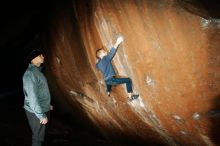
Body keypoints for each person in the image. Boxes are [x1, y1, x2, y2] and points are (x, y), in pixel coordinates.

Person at [23, 49, 52, 146]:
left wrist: (48, 105)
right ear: (33, 59)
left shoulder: (38, 72)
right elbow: (32, 97)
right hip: (35, 112)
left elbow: (41, 91)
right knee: (38, 138)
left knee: (43, 136)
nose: (43, 57)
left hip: (43, 108)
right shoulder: (30, 74)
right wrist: (40, 115)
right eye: (40, 55)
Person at [96, 36, 139, 101]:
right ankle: (130, 97)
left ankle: (108, 91)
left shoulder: (99, 64)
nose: (105, 51)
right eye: (103, 51)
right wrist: (118, 42)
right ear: (101, 55)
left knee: (108, 82)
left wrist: (98, 61)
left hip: (108, 81)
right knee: (128, 80)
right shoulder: (105, 59)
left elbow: (97, 65)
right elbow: (112, 53)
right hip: (112, 79)